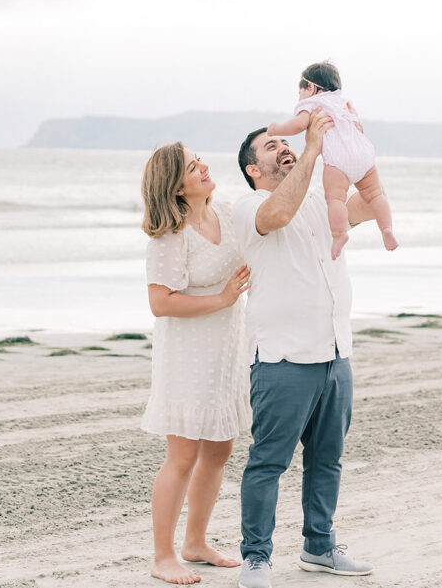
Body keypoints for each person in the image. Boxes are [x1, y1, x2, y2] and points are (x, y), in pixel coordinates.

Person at [231, 111, 375, 588]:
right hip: (283, 358)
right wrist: (311, 149)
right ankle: (255, 559)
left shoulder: (318, 200)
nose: (283, 147)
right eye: (271, 146)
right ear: (253, 169)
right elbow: (278, 214)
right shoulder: (245, 206)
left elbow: (366, 206)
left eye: (284, 142)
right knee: (268, 461)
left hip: (335, 353)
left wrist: (352, 145)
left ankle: (319, 547)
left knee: (327, 459)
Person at [140, 142, 253, 585]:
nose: (204, 167)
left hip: (227, 348)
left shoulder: (225, 213)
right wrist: (222, 298)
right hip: (187, 354)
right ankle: (163, 555)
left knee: (220, 448)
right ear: (176, 185)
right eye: (192, 166)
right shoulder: (171, 233)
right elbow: (159, 302)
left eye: (200, 160)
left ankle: (196, 542)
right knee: (183, 454)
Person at [267, 61, 398, 260]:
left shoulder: (311, 104)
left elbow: (298, 124)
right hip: (363, 154)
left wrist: (277, 129)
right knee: (375, 194)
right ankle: (386, 229)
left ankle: (338, 235)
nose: (299, 97)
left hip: (338, 159)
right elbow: (356, 126)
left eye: (299, 92)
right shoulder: (343, 103)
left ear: (309, 87)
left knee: (335, 198)